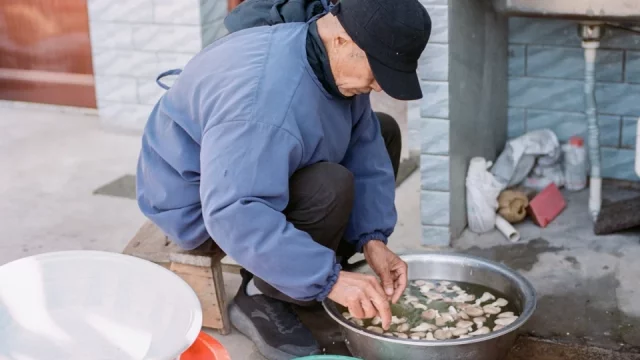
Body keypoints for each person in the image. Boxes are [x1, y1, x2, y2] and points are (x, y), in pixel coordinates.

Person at [135, 0, 431, 358]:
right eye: (378, 70)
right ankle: (264, 296)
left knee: (382, 133)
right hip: (194, 200)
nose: (380, 86)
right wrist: (330, 281)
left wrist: (373, 241)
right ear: (341, 40)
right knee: (330, 186)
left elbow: (364, 148)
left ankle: (315, 266)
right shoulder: (261, 103)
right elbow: (233, 212)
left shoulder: (327, 55)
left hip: (246, 167)